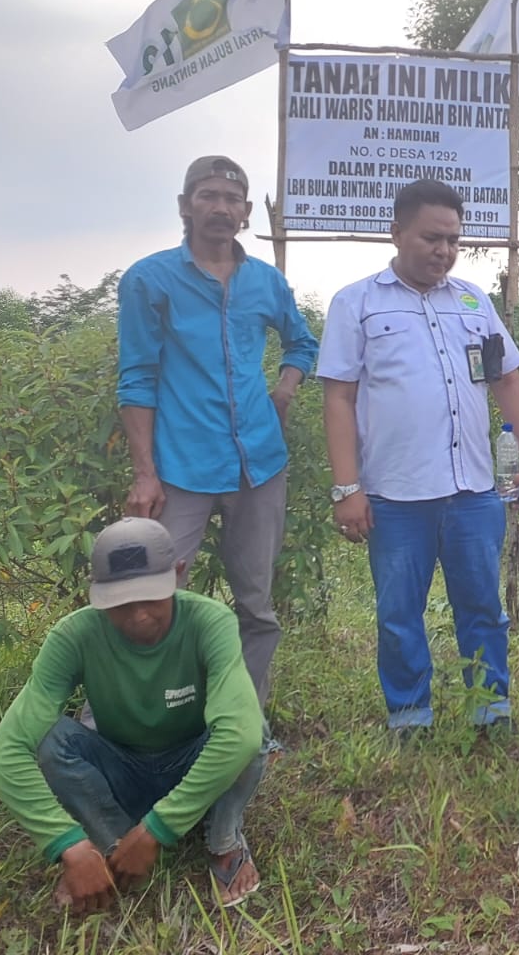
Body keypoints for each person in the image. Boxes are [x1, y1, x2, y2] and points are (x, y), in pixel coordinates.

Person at [317, 178, 519, 736]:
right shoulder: (357, 303)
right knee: (399, 614)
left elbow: (506, 379)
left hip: (473, 490)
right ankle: (410, 715)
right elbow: (339, 398)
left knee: (483, 607)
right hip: (395, 495)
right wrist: (347, 488)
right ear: (396, 232)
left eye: (453, 240)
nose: (444, 250)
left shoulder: (472, 301)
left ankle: (490, 708)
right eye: (431, 238)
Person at [115, 155, 319, 711]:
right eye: (207, 196)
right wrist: (144, 473)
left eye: (231, 199)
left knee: (256, 605)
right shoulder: (150, 279)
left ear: (246, 211)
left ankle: (245, 723)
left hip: (260, 464)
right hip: (181, 469)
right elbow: (136, 378)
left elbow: (302, 342)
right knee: (154, 597)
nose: (220, 208)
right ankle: (144, 721)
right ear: (185, 206)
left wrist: (284, 391)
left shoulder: (265, 281)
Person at [0, 517, 267, 911]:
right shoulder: (75, 635)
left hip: (192, 760)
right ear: (95, 592)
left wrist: (158, 828)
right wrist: (67, 843)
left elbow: (241, 735)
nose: (138, 615)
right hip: (122, 768)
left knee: (252, 731)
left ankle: (223, 842)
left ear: (178, 574)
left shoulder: (209, 622)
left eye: (151, 597)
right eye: (120, 602)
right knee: (52, 739)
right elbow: (4, 755)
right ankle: (110, 848)